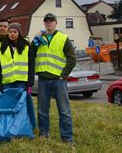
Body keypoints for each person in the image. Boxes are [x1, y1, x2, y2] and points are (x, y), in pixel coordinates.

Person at [35, 13, 76, 144]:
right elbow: (31, 54)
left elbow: (72, 59)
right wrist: (34, 42)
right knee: (42, 110)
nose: (49, 23)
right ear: (44, 23)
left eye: (51, 21)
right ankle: (43, 135)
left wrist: (63, 75)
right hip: (43, 79)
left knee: (64, 110)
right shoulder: (39, 38)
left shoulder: (63, 38)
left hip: (58, 80)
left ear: (56, 23)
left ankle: (67, 138)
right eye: (46, 21)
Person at [0, 22, 35, 93]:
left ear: (19, 33)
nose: (12, 34)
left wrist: (30, 83)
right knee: (8, 103)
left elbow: (31, 65)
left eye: (15, 32)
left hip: (22, 82)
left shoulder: (26, 47)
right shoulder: (2, 48)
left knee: (20, 104)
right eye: (10, 32)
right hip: (7, 82)